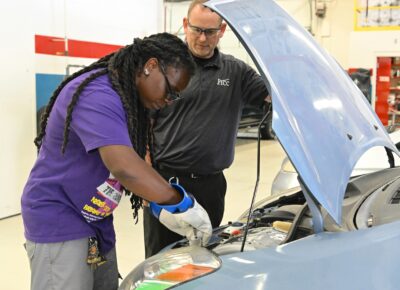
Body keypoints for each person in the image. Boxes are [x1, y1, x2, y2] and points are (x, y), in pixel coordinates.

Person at [21, 32, 212, 290]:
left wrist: (157, 205)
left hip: (96, 220)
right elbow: (125, 167)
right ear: (151, 66)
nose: (168, 102)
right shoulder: (96, 94)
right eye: (170, 92)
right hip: (60, 219)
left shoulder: (127, 99)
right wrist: (181, 203)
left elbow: (135, 162)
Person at [143, 0, 269, 257]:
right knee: (161, 261)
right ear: (185, 25)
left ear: (222, 31)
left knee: (204, 260)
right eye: (197, 29)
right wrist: (145, 176)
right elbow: (142, 121)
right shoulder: (164, 68)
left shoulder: (236, 72)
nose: (202, 38)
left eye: (210, 32)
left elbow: (272, 97)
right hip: (166, 181)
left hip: (211, 186)